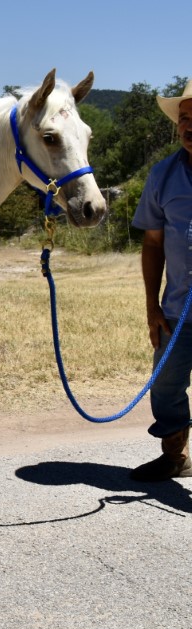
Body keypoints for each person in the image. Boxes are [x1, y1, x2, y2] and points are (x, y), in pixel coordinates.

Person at [130, 79, 192, 481]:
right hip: (178, 310)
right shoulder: (163, 174)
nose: (188, 126)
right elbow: (152, 245)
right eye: (184, 119)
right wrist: (152, 306)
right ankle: (176, 458)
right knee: (166, 387)